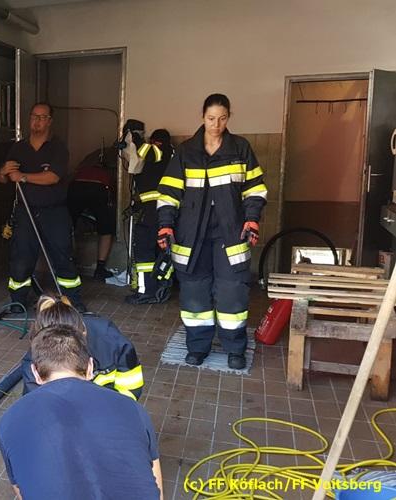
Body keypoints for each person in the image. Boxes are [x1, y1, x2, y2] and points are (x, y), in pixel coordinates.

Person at [156, 93, 267, 370]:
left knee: (232, 292)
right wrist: (166, 224)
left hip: (231, 233)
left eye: (222, 118)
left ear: (229, 117)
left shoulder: (240, 148)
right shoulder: (186, 152)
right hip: (191, 235)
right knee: (195, 292)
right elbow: (169, 193)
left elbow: (255, 189)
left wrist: (252, 219)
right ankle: (197, 347)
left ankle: (235, 349)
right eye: (211, 118)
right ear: (202, 117)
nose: (216, 124)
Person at [0, 322, 163, 500]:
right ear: (90, 367)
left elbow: (21, 490)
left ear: (35, 373)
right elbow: (155, 480)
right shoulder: (132, 408)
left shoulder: (9, 420)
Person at [0, 103, 85, 312]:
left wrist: (23, 177)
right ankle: (18, 302)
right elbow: (3, 178)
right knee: (21, 258)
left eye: (42, 117)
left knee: (62, 255)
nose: (36, 121)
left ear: (49, 121)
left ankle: (72, 302)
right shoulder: (19, 148)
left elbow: (52, 177)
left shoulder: (58, 148)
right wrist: (2, 171)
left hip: (54, 211)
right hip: (25, 211)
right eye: (33, 116)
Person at [20, 294, 143, 400]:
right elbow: (39, 405)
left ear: (84, 333)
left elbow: (130, 389)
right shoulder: (34, 359)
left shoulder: (111, 341)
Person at [126, 128, 174, 305]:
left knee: (144, 251)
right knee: (159, 251)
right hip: (158, 211)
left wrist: (136, 138)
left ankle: (146, 292)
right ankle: (160, 289)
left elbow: (148, 152)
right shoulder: (167, 157)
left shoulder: (164, 151)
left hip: (155, 212)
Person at [67, 144, 117, 280]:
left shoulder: (92, 155)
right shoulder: (117, 158)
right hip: (98, 188)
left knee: (69, 227)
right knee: (106, 230)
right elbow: (115, 186)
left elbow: (76, 170)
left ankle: (67, 264)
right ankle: (100, 269)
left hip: (76, 186)